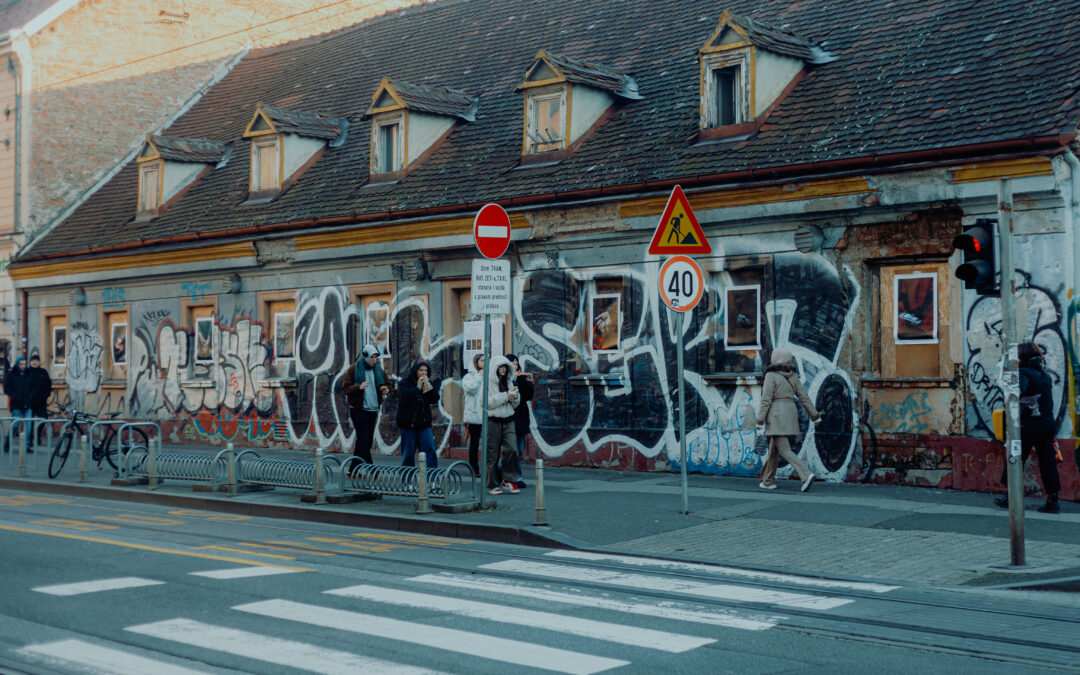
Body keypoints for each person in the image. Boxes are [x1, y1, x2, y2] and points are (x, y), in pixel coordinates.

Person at [994, 342, 1061, 514]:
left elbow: (1018, 392)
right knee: (1048, 463)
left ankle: (1010, 497)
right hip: (1046, 425)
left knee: (1015, 459)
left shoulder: (1023, 373)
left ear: (1021, 357)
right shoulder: (1044, 374)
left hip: (1027, 426)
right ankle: (1053, 500)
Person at [756, 348, 820, 491]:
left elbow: (766, 399)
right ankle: (768, 481)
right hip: (790, 413)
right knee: (774, 449)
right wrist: (815, 416)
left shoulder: (771, 375)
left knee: (784, 449)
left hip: (776, 415)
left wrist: (759, 420)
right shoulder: (793, 376)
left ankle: (806, 474)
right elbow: (804, 397)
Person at [341, 345, 389, 464]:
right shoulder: (354, 369)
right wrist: (358, 387)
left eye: (375, 358)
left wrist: (386, 389)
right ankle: (372, 469)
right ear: (365, 357)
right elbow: (345, 388)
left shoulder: (378, 370)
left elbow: (388, 384)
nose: (374, 360)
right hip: (358, 409)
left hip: (373, 410)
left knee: (366, 441)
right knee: (364, 439)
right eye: (371, 357)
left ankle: (353, 469)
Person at [484, 355, 521, 495]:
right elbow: (485, 402)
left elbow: (516, 403)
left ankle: (508, 480)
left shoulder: (509, 381)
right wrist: (505, 397)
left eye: (505, 367)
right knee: (492, 453)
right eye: (501, 367)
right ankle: (492, 484)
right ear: (495, 368)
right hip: (493, 420)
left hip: (508, 419)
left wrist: (516, 397)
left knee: (512, 449)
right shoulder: (487, 382)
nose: (504, 369)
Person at [396, 359, 440, 469]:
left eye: (426, 371)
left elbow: (434, 399)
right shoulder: (404, 383)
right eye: (421, 370)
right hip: (408, 425)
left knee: (430, 451)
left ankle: (431, 479)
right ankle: (407, 481)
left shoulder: (427, 383)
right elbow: (405, 398)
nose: (424, 373)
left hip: (424, 425)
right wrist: (417, 388)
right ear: (415, 371)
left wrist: (428, 387)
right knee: (408, 455)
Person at [505, 353, 534, 489]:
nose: (515, 366)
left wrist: (529, 382)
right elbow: (510, 396)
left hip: (522, 417)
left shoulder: (521, 378)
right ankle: (518, 477)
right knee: (514, 450)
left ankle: (501, 466)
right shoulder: (504, 380)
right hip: (510, 417)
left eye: (516, 363)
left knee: (520, 449)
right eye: (512, 363)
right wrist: (514, 382)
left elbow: (528, 396)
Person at [461, 353, 484, 477]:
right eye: (482, 361)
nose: (484, 363)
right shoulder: (468, 377)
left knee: (490, 443)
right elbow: (470, 390)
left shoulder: (490, 376)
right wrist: (479, 377)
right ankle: (474, 468)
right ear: (476, 362)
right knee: (474, 443)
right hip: (474, 414)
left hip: (487, 413)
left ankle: (490, 468)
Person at [4, 356, 33, 453]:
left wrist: (31, 396)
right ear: (17, 364)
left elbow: (33, 387)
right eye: (21, 364)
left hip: (27, 403)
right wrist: (14, 396)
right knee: (15, 425)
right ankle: (7, 442)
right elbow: (6, 388)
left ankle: (27, 446)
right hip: (16, 403)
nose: (23, 366)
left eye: (24, 364)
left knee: (28, 424)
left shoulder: (29, 374)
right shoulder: (11, 374)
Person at [27, 355, 52, 445]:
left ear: (39, 362)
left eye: (36, 360)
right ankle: (29, 439)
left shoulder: (43, 372)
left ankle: (37, 435)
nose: (34, 362)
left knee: (43, 418)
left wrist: (46, 395)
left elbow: (49, 384)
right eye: (32, 360)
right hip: (29, 402)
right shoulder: (27, 372)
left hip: (41, 401)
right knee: (29, 421)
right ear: (30, 362)